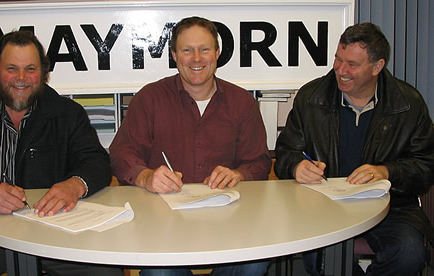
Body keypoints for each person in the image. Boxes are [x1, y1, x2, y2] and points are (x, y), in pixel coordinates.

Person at [0, 30, 122, 275]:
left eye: (31, 69)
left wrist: (75, 185)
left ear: (43, 74)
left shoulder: (68, 114)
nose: (21, 78)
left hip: (56, 233)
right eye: (11, 68)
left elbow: (96, 162)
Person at [110, 16, 271, 275]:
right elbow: (121, 153)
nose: (197, 59)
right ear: (174, 55)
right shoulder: (149, 99)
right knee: (158, 271)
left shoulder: (242, 103)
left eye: (204, 49)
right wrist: (145, 176)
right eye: (187, 50)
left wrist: (238, 174)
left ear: (217, 53)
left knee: (255, 263)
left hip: (229, 223)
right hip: (162, 224)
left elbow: (260, 162)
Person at [275, 22, 434, 275]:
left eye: (353, 64)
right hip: (322, 205)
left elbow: (425, 167)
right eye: (338, 59)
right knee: (322, 260)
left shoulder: (409, 104)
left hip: (392, 206)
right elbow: (285, 152)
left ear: (377, 67)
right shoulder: (310, 97)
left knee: (409, 254)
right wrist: (297, 166)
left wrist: (386, 172)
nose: (341, 70)